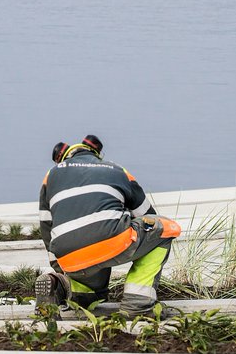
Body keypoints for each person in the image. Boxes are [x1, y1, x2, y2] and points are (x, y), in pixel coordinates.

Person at [35, 135, 181, 318]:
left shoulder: (51, 176)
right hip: (110, 240)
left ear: (62, 157)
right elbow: (148, 216)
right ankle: (139, 304)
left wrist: (62, 267)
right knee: (163, 228)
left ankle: (59, 284)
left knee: (89, 294)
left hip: (69, 254)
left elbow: (47, 228)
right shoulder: (117, 170)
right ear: (96, 153)